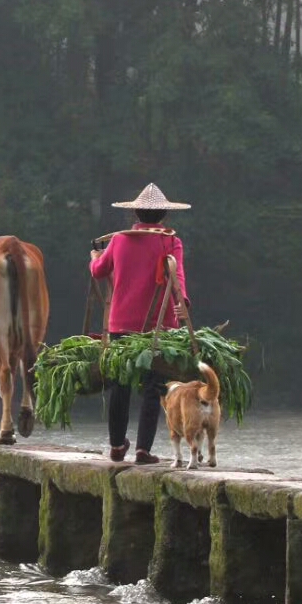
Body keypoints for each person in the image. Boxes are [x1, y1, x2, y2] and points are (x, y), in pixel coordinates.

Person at [89, 182, 191, 464]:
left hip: (122, 323)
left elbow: (99, 271)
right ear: (163, 216)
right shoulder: (171, 241)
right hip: (160, 324)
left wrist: (95, 257)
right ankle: (143, 450)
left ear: (136, 214)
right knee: (154, 386)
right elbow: (177, 278)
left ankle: (116, 446)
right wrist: (183, 303)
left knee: (120, 383)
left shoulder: (120, 240)